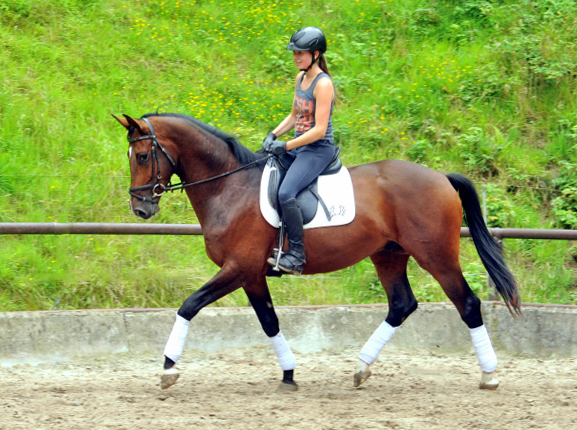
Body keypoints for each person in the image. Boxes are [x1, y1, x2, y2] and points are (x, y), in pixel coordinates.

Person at [262, 26, 337, 276]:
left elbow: (319, 129)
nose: (295, 57)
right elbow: (295, 115)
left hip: (317, 150)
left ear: (315, 54)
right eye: (294, 53)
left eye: (300, 53)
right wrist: (274, 134)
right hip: (299, 147)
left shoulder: (323, 84)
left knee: (286, 193)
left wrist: (286, 145)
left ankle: (295, 256)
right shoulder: (300, 78)